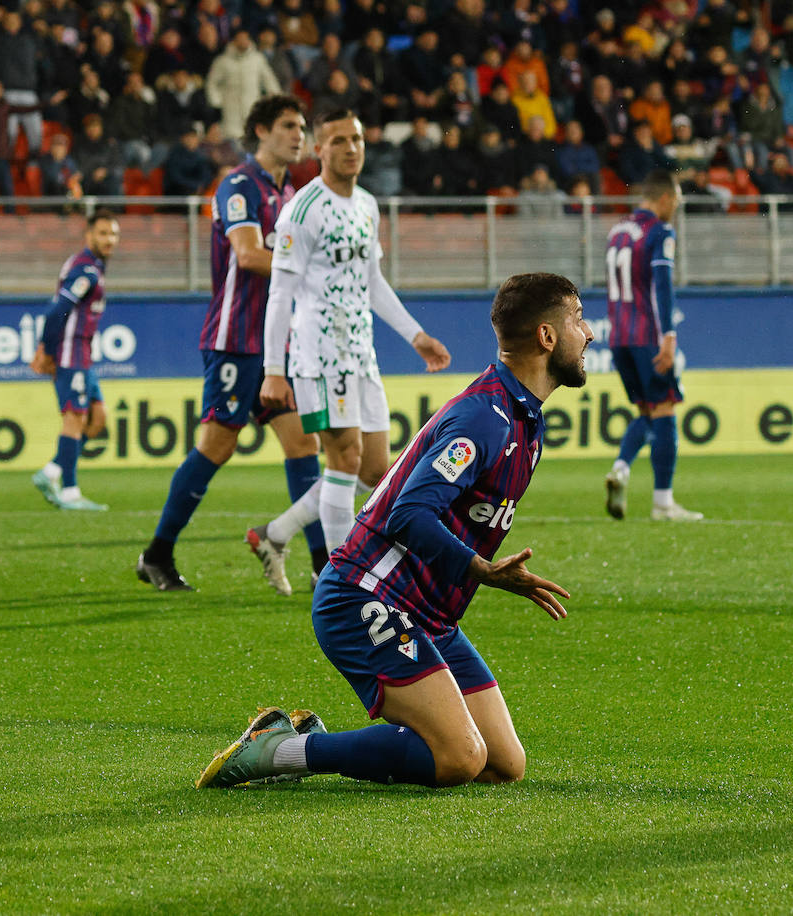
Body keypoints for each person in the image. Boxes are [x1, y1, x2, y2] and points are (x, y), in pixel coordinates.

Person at [196, 273, 592, 789]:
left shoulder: (521, 417)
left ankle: (320, 737)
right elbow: (408, 514)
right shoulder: (485, 419)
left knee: (502, 764)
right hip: (364, 596)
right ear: (547, 337)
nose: (589, 333)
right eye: (579, 321)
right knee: (458, 758)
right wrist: (483, 570)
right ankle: (282, 750)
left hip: (430, 617)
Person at [135, 95, 324, 595]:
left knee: (303, 443)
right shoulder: (238, 185)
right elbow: (246, 253)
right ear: (260, 130)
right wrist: (313, 271)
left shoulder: (293, 194)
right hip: (236, 341)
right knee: (217, 447)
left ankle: (326, 567)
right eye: (287, 125)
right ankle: (157, 554)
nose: (297, 135)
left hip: (277, 348)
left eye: (301, 127)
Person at [250, 108, 451, 573]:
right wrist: (274, 370)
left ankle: (274, 534)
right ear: (319, 150)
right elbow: (279, 294)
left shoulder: (365, 203)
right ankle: (341, 580)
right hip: (319, 356)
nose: (350, 148)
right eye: (337, 141)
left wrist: (415, 335)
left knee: (375, 471)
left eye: (356, 139)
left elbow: (372, 281)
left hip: (361, 351)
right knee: (345, 457)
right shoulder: (301, 210)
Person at [602, 169, 703, 522]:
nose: (675, 208)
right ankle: (663, 502)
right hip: (647, 335)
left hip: (618, 336)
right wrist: (669, 336)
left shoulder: (617, 232)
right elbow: (662, 284)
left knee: (646, 411)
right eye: (675, 201)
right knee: (665, 409)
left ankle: (620, 468)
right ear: (663, 199)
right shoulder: (660, 232)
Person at [29, 210, 121, 511]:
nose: (110, 240)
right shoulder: (86, 271)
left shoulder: (93, 266)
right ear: (89, 235)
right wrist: (47, 349)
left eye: (114, 234)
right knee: (75, 418)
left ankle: (52, 471)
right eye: (103, 233)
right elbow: (58, 311)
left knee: (98, 418)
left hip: (83, 353)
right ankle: (69, 491)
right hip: (71, 352)